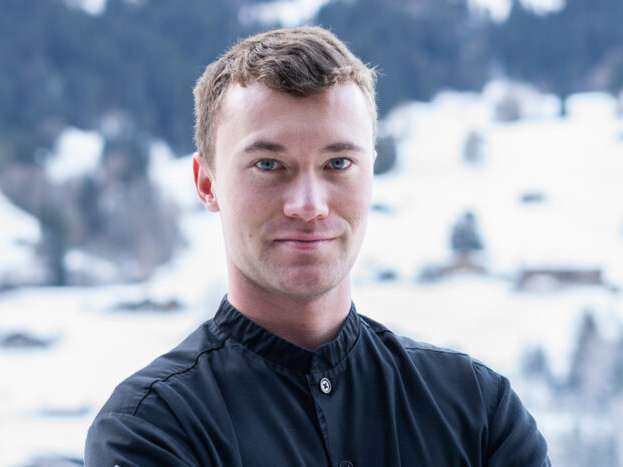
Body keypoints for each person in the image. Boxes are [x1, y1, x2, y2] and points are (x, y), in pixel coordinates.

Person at [85, 26, 550, 466]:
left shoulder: (478, 410)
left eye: (338, 163)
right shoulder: (151, 427)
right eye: (268, 165)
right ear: (207, 182)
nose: (308, 205)